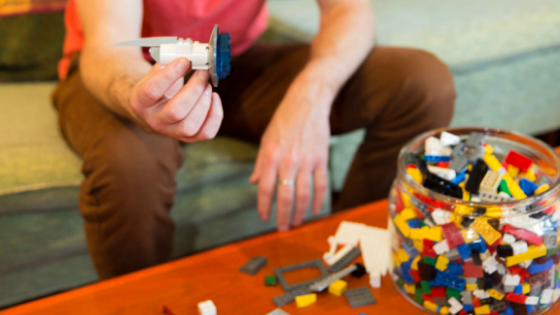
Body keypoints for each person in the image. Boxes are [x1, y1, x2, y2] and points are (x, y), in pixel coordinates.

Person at [52, 0, 456, 280]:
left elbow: (349, 10)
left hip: (236, 66)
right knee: (130, 166)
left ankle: (357, 262)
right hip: (119, 73)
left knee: (420, 82)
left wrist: (309, 94)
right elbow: (108, 46)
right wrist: (137, 97)